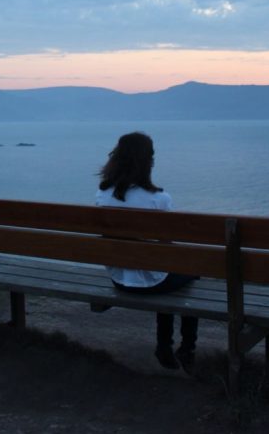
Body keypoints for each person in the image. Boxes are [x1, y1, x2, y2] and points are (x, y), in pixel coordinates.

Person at [95, 131, 198, 371]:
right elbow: (169, 243)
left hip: (118, 278)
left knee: (166, 269)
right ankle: (185, 347)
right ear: (147, 161)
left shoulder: (102, 193)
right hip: (152, 282)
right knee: (192, 270)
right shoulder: (159, 199)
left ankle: (166, 346)